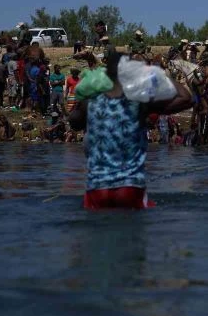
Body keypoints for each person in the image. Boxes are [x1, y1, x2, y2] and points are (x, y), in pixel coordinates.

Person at [69, 52, 193, 209]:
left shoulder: (91, 101)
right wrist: (155, 73)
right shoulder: (138, 101)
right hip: (129, 188)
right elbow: (186, 98)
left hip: (96, 189)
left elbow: (73, 122)